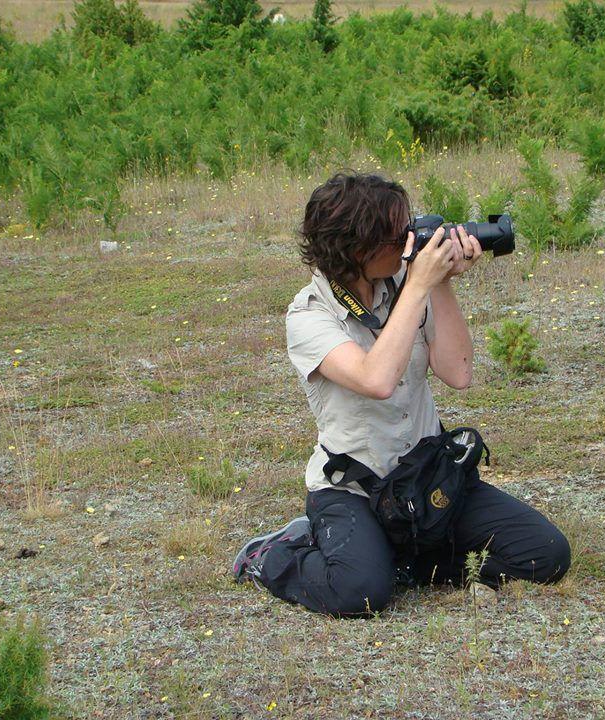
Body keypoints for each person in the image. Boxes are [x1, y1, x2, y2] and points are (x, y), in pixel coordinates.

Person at [232, 172, 570, 618]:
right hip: (355, 488)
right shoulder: (308, 316)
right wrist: (417, 287)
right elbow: (376, 380)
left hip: (424, 478)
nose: (409, 240)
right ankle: (274, 555)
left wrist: (440, 281)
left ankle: (403, 559)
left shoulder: (407, 289)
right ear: (356, 249)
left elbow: (458, 372)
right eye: (396, 234)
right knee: (360, 594)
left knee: (545, 555)